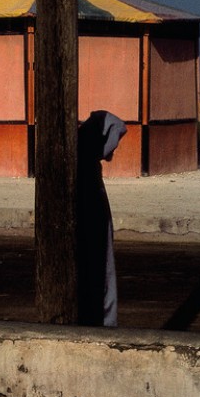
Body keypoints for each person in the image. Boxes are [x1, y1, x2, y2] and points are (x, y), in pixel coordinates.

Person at [76, 110, 126, 326]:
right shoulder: (87, 158)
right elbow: (117, 124)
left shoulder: (82, 152)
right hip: (92, 208)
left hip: (89, 207)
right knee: (100, 266)